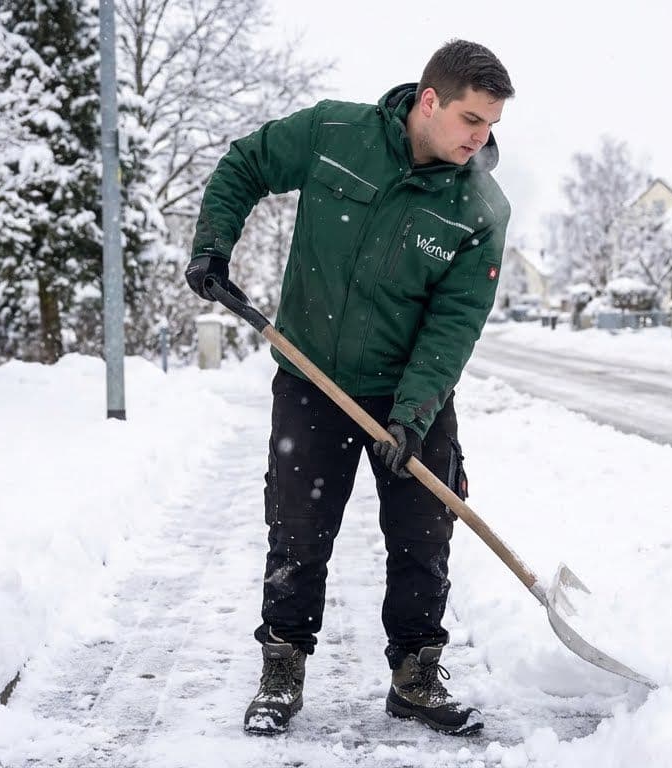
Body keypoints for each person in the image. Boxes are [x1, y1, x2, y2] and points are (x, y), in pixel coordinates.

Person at [185, 39, 513, 737]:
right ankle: (281, 669)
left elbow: (454, 321)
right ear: (429, 101)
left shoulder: (478, 207)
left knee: (424, 532)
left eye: (490, 125)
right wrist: (214, 245)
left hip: (407, 391)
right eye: (471, 120)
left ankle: (415, 675)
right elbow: (246, 163)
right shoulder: (336, 134)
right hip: (311, 379)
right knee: (297, 531)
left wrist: (413, 414)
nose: (481, 140)